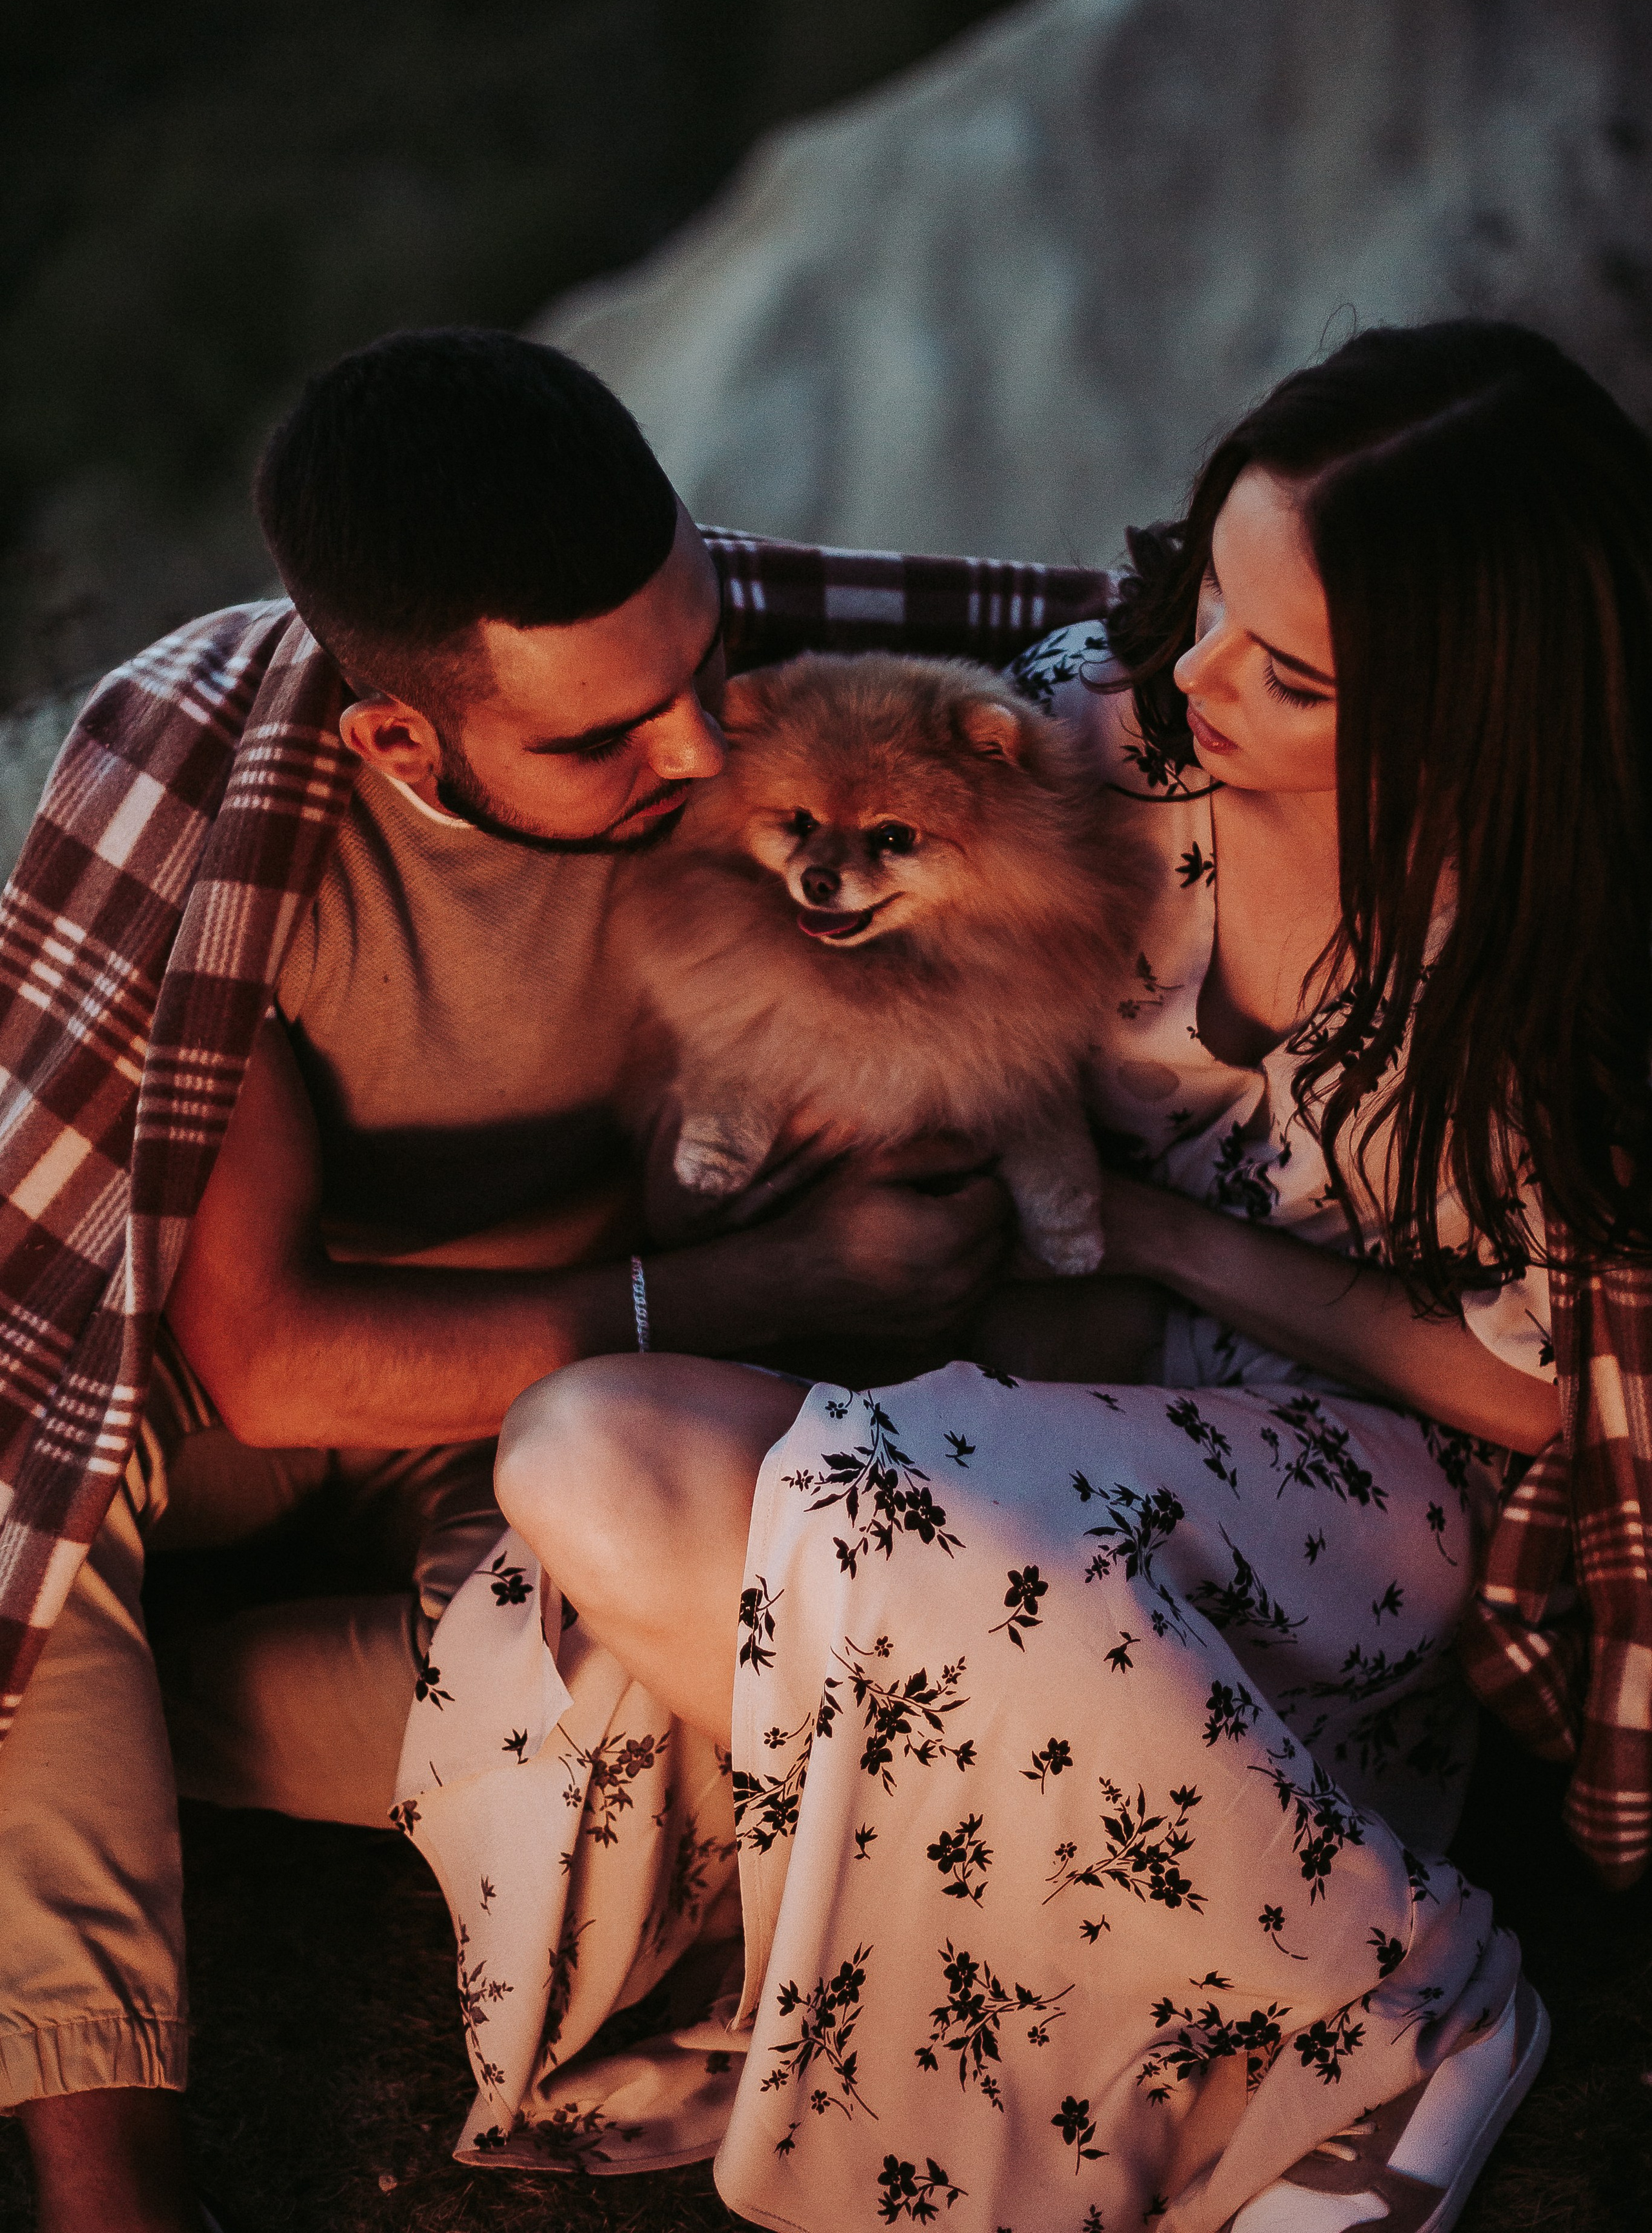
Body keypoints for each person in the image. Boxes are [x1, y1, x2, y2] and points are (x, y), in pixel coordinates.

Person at [481, 321, 1652, 2230]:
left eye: (1282, 670)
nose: (1185, 672)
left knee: (860, 1534)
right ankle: (1153, 1952)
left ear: (1466, 721)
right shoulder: (1097, 741)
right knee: (583, 1457)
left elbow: (1538, 1388)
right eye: (1208, 592)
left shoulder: (1551, 961)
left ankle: (1406, 1997)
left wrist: (1163, 1233)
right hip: (1031, 1411)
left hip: (1357, 1494)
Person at [0, 329, 1093, 2233]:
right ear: (400, 741)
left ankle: (95, 1735)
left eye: (699, 672)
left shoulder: (744, 681)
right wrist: (780, 1279)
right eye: (600, 739)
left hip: (540, 1429)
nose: (696, 754)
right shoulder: (207, 804)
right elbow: (261, 1357)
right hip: (220, 1378)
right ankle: (117, 2196)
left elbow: (1089, 663)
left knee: (690, 1705)